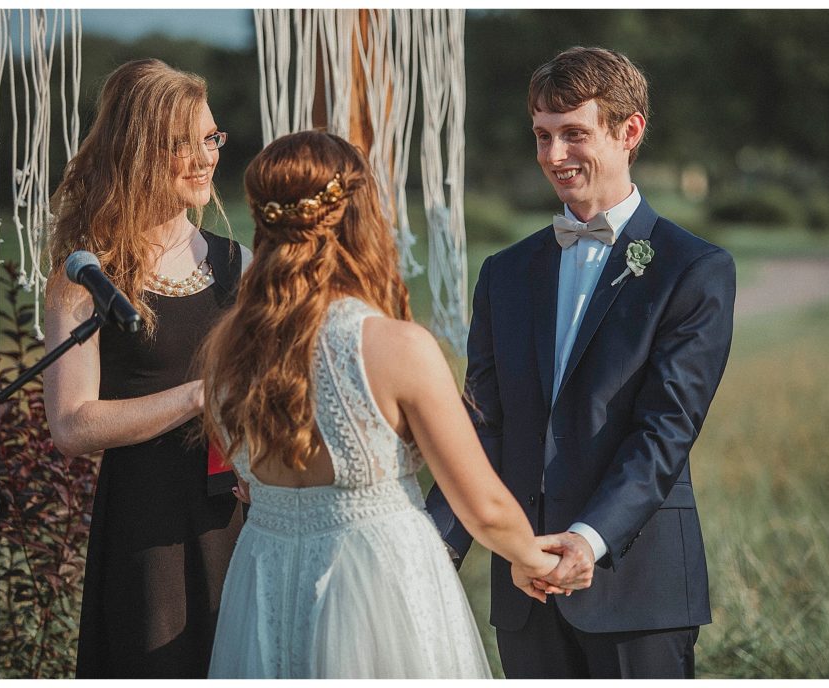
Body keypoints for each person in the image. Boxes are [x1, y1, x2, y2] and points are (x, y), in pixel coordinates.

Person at [200, 130, 564, 679]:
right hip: (373, 585)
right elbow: (483, 504)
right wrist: (535, 560)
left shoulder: (229, 350)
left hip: (265, 577)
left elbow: (247, 483)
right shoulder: (395, 346)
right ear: (358, 216)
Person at [426, 46, 736, 679]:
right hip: (524, 587)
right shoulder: (504, 273)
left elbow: (665, 430)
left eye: (574, 134)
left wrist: (590, 539)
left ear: (630, 132)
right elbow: (482, 427)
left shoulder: (693, 270)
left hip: (637, 587)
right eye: (542, 136)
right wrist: (431, 548)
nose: (554, 155)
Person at [43, 59, 250, 677]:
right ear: (136, 151)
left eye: (211, 138)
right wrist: (196, 398)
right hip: (147, 530)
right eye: (181, 144)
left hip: (240, 521)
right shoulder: (85, 278)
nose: (205, 157)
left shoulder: (241, 264)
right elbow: (72, 426)